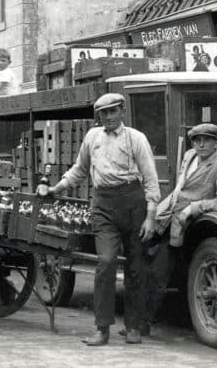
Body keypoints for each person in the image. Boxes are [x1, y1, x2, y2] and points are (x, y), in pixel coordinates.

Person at [48, 93, 160, 346]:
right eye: (103, 113)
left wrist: (151, 217)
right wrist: (58, 188)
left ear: (122, 111)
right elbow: (79, 170)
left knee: (136, 266)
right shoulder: (92, 137)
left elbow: (150, 178)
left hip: (133, 203)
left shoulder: (136, 138)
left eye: (112, 111)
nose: (108, 117)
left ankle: (133, 327)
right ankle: (102, 329)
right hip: (103, 205)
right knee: (106, 262)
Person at [146, 123, 217, 328]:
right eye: (197, 140)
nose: (201, 144)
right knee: (139, 254)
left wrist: (194, 207)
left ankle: (143, 323)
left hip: (185, 225)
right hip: (167, 214)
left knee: (160, 270)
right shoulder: (189, 156)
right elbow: (181, 187)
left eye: (207, 140)